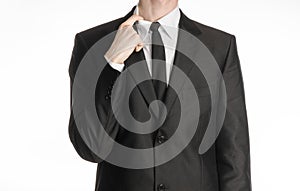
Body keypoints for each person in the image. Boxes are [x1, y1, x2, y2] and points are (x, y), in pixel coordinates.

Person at [68, 0, 252, 190]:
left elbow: (234, 151)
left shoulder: (219, 47)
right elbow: (90, 149)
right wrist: (113, 65)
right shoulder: (91, 43)